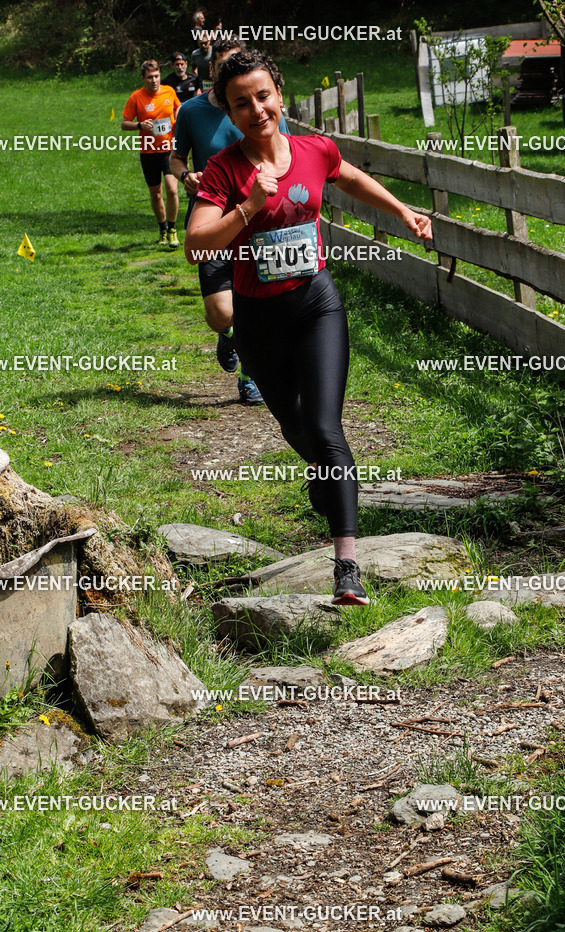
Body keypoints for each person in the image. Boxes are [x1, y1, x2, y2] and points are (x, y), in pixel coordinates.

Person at [185, 50, 433, 605]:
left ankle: (347, 567)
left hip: (316, 305)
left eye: (263, 96)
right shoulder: (225, 170)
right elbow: (196, 243)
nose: (256, 109)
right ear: (228, 110)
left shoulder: (314, 149)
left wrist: (402, 212)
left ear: (280, 93)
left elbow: (348, 177)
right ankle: (327, 482)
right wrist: (248, 205)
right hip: (258, 322)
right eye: (240, 103)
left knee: (325, 429)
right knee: (296, 429)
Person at [172, 37, 288, 405]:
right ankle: (228, 334)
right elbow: (174, 158)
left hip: (262, 225)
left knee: (261, 306)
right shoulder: (190, 111)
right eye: (224, 66)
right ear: (212, 71)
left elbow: (286, 157)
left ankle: (250, 376)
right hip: (215, 225)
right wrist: (185, 175)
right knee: (222, 312)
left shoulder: (264, 112)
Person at [121, 60, 181, 248]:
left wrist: (178, 117)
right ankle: (162, 229)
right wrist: (140, 125)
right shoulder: (136, 97)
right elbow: (124, 123)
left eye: (156, 76)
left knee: (172, 189)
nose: (154, 80)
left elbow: (177, 106)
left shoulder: (169, 91)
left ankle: (172, 229)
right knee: (156, 195)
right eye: (150, 77)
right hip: (148, 151)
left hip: (168, 149)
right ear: (143, 79)